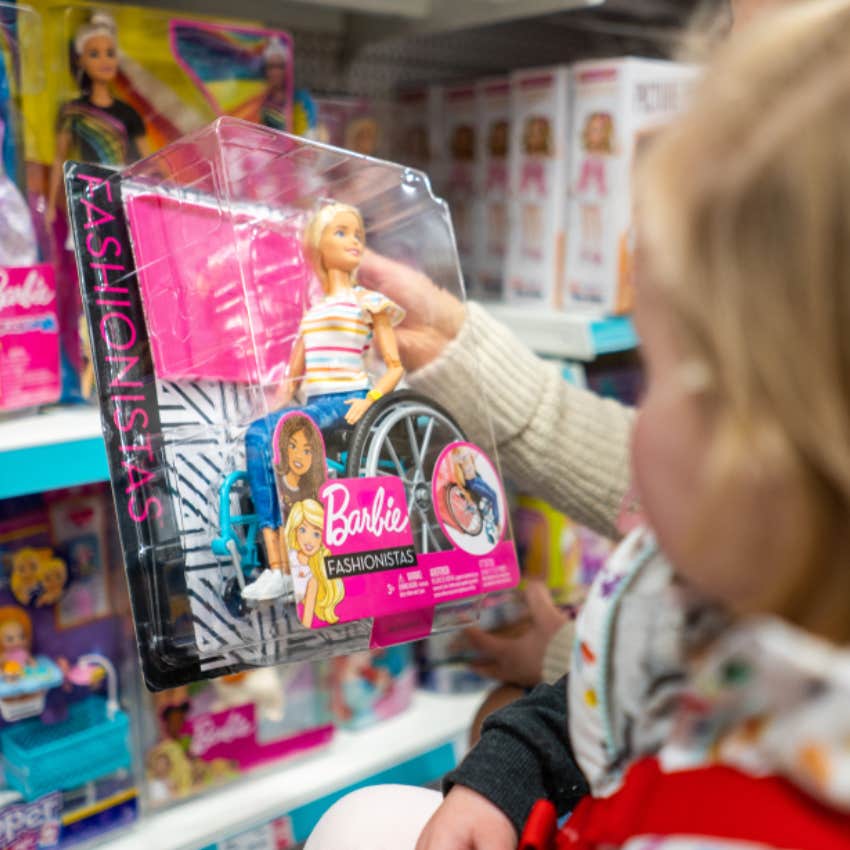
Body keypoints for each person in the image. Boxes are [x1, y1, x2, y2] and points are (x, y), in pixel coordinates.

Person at [308, 1, 850, 848]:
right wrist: (514, 760)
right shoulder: (741, 600)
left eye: (666, 376)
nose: (640, 418)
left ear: (767, 464)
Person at [241, 202, 405, 601]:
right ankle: (278, 566)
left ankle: (293, 564)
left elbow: (394, 366)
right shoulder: (311, 315)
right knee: (259, 435)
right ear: (317, 246)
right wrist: (263, 411)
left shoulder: (369, 303)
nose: (354, 241)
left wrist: (371, 401)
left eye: (358, 235)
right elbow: (292, 383)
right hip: (315, 404)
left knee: (278, 434)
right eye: (342, 232)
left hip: (348, 401)